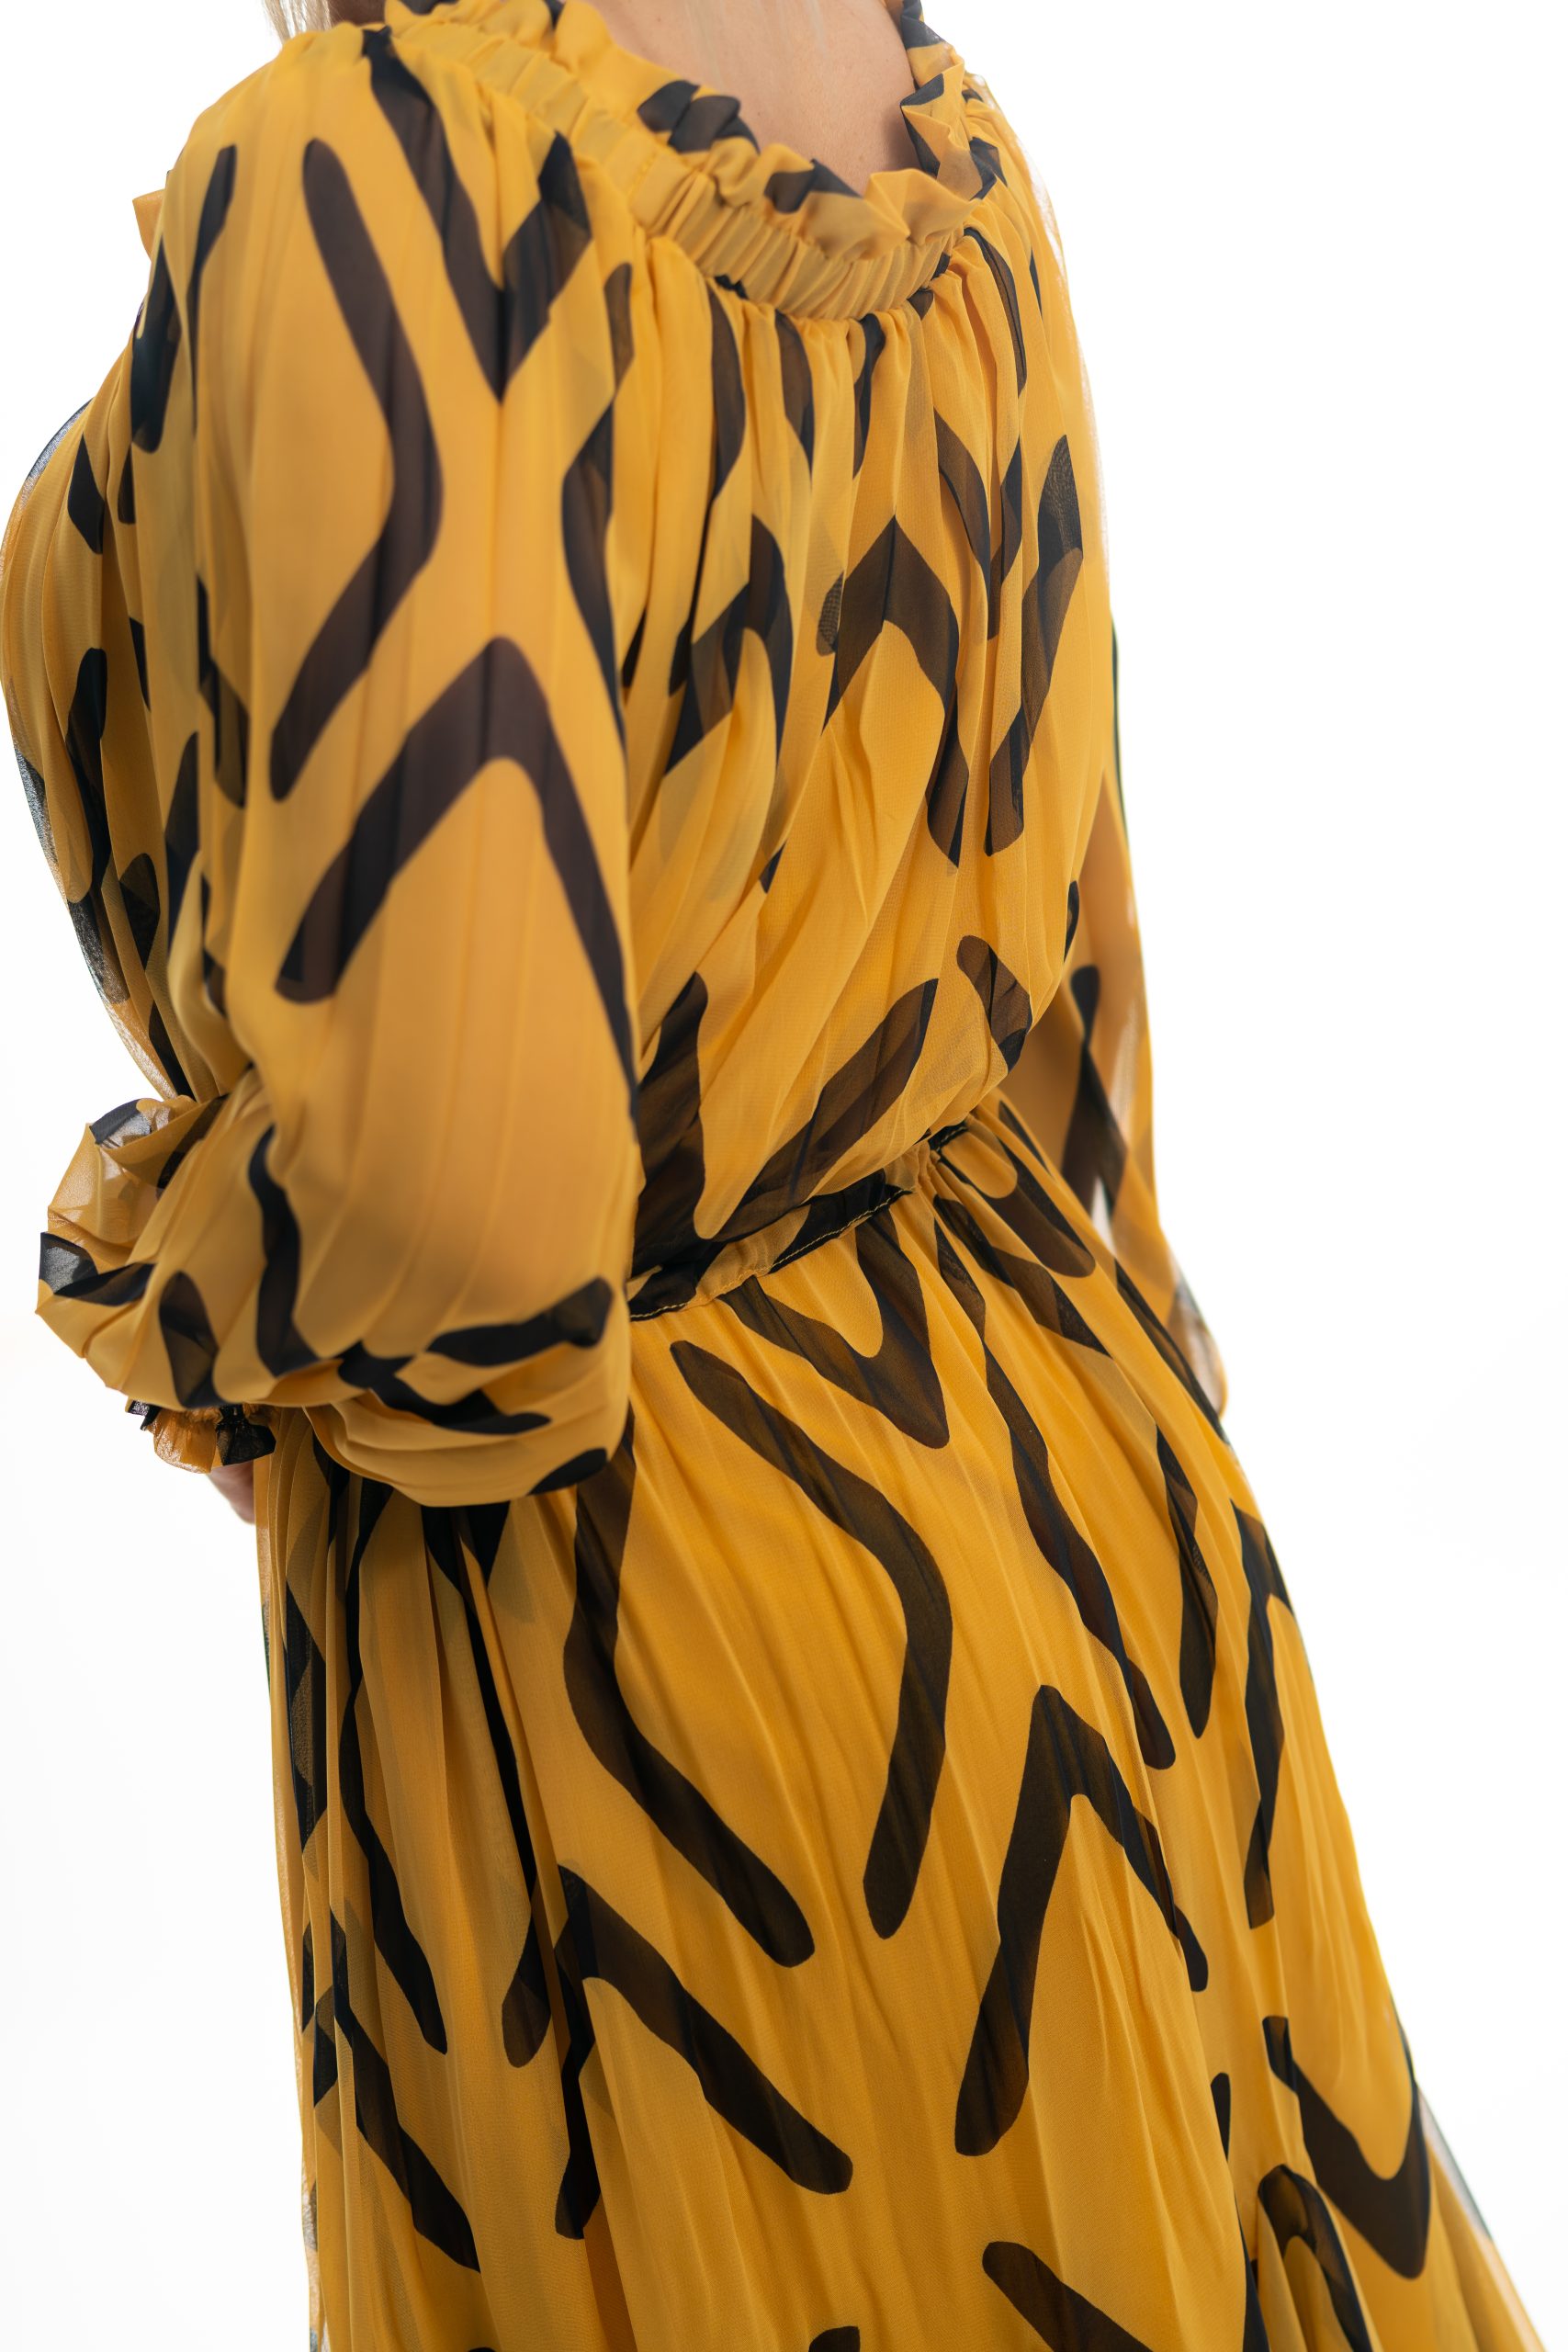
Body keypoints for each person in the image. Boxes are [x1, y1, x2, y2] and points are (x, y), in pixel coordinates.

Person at [0, 1, 1543, 2344]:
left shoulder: (368, 165)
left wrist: (168, 1276)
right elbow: (1060, 1003)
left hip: (682, 1688)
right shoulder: (950, 153)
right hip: (1099, 1554)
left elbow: (460, 1238)